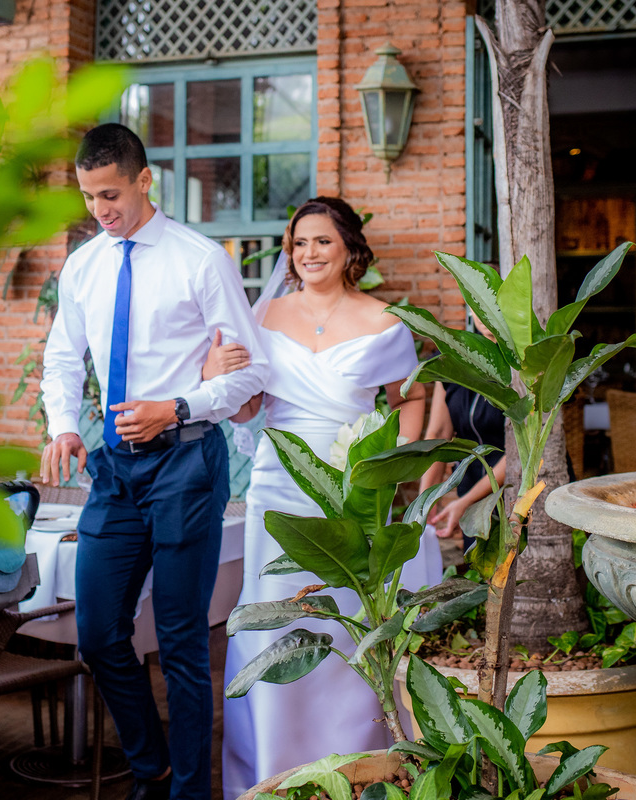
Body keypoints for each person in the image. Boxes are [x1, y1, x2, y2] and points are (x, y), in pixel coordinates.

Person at [38, 123, 269, 800]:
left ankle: (188, 792)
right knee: (99, 631)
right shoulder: (84, 265)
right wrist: (63, 426)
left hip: (188, 464)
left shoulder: (201, 260)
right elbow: (60, 357)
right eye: (88, 197)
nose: (100, 209)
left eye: (110, 193)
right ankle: (152, 765)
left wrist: (179, 405)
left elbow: (249, 373)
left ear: (145, 181)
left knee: (181, 641)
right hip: (114, 467)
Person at [204, 197, 439, 800]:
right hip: (277, 486)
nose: (309, 254)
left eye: (322, 242)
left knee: (347, 624)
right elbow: (249, 407)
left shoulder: (385, 321)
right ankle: (275, 769)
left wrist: (393, 458)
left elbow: (411, 397)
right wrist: (215, 375)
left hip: (353, 490)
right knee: (275, 620)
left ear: (350, 250)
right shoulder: (264, 317)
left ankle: (354, 766)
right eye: (300, 243)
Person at [418, 317, 507, 550]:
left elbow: (521, 451)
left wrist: (468, 501)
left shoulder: (526, 365)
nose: (486, 315)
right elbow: (439, 433)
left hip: (517, 492)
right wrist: (424, 504)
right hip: (472, 493)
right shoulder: (450, 359)